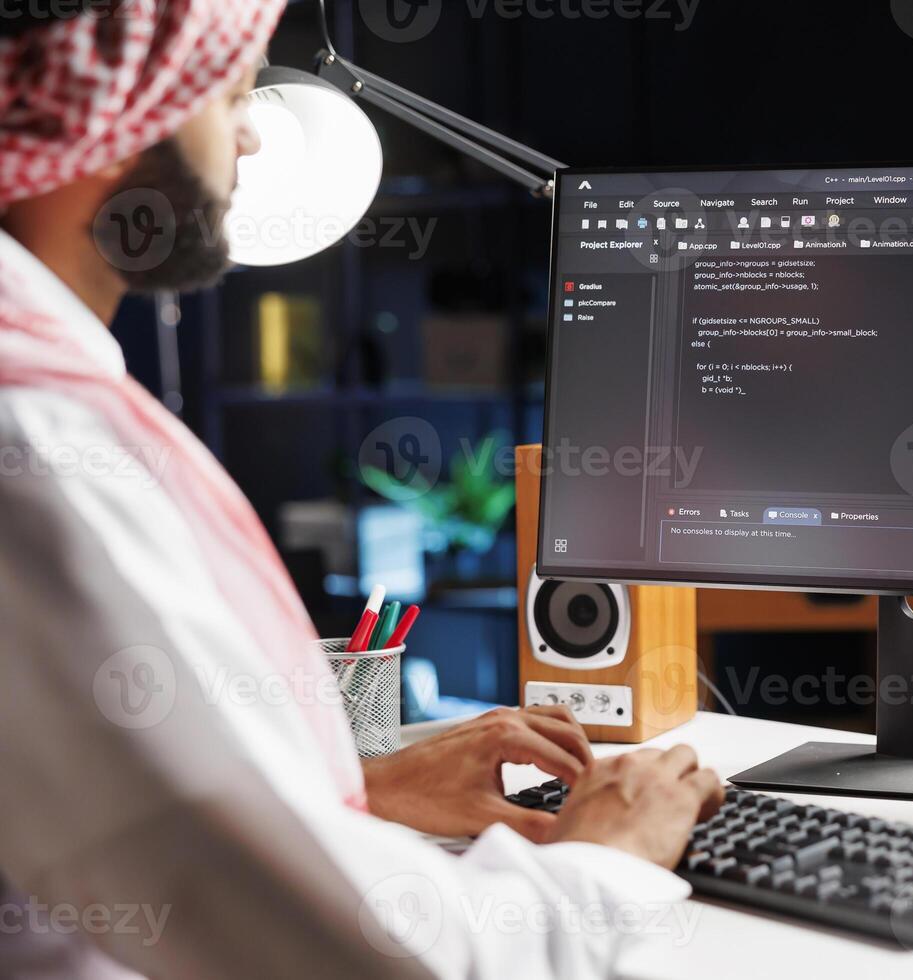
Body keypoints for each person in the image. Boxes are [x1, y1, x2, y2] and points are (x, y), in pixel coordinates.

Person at [0, 2, 722, 977]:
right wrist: (608, 857)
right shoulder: (36, 454)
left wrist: (357, 790)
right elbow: (388, 961)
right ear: (112, 114)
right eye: (230, 91)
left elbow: (105, 812)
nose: (252, 132)